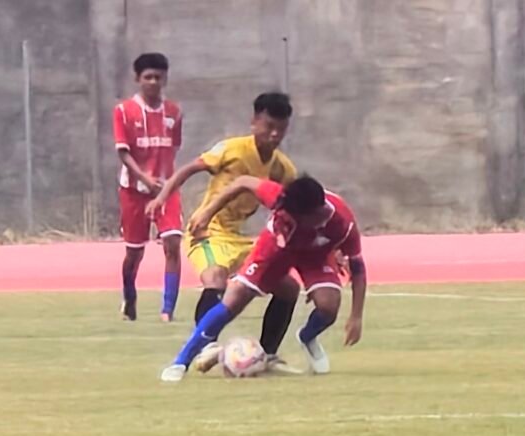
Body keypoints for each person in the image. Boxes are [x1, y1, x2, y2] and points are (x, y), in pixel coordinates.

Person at [160, 175, 368, 382]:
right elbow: (242, 181)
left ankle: (307, 337)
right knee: (235, 298)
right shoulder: (280, 198)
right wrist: (207, 212)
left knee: (329, 306)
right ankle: (181, 362)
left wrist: (356, 316)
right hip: (275, 249)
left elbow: (357, 268)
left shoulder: (343, 223)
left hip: (315, 255)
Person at [146, 92, 301, 371]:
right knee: (215, 277)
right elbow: (189, 170)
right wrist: (161, 198)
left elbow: (296, 203)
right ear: (254, 122)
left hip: (239, 239)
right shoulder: (232, 149)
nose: (274, 134)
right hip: (207, 231)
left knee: (289, 288)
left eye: (281, 129)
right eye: (269, 126)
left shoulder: (281, 167)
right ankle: (206, 347)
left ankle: (268, 355)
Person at [113, 53, 183, 322]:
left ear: (165, 78)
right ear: (138, 79)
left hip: (166, 189)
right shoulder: (123, 111)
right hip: (133, 191)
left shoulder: (174, 112)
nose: (153, 82)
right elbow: (123, 152)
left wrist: (164, 180)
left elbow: (173, 146)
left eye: (158, 77)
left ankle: (168, 310)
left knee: (172, 243)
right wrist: (144, 178)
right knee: (134, 252)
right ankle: (129, 297)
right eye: (148, 77)